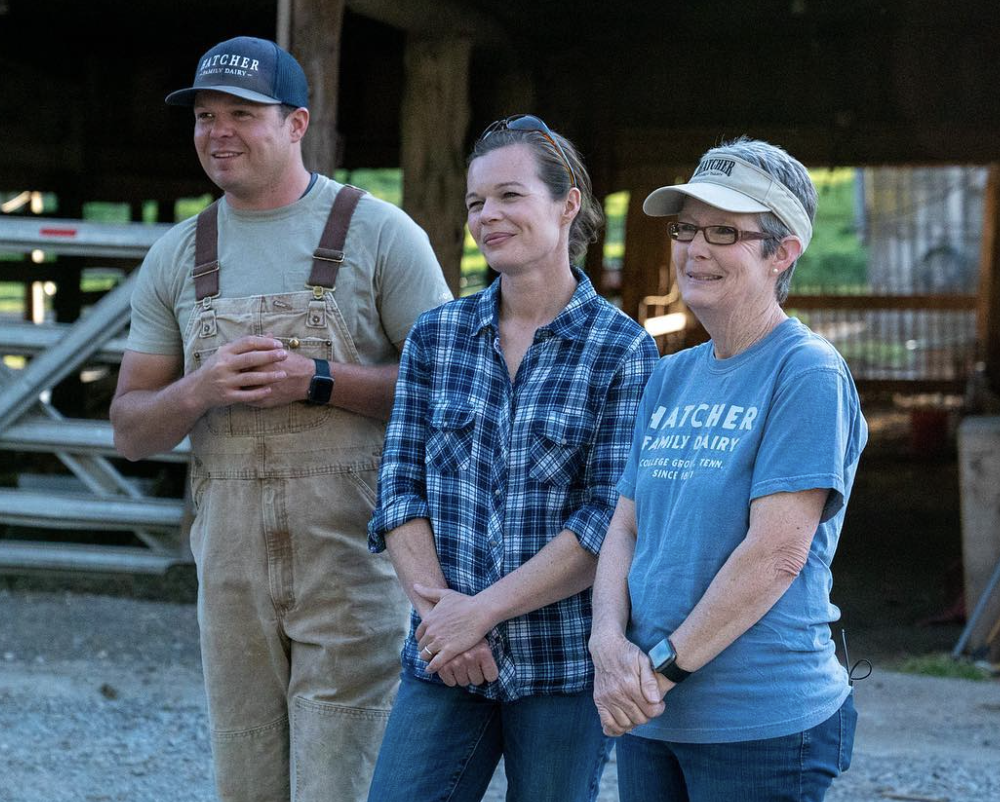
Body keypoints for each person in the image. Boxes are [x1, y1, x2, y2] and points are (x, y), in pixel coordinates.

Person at [109, 36, 451, 802]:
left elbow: (452, 393)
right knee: (247, 778)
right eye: (203, 115)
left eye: (240, 113)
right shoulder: (177, 255)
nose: (217, 131)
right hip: (229, 566)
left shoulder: (380, 234)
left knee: (342, 778)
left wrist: (319, 379)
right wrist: (199, 389)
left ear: (298, 124)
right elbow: (131, 430)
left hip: (351, 556)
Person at [365, 115, 659, 801]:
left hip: (561, 667)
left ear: (568, 204)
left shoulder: (622, 350)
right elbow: (400, 490)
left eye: (509, 196)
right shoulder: (437, 338)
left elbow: (608, 520)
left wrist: (483, 613)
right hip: (445, 659)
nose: (487, 216)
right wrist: (448, 622)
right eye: (475, 203)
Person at [589, 137, 868, 802]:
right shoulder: (672, 375)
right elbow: (624, 529)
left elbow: (776, 555)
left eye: (724, 231)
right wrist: (606, 646)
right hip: (653, 715)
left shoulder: (805, 372)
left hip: (758, 721)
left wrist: (656, 671)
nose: (695, 249)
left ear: (782, 253)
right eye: (687, 228)